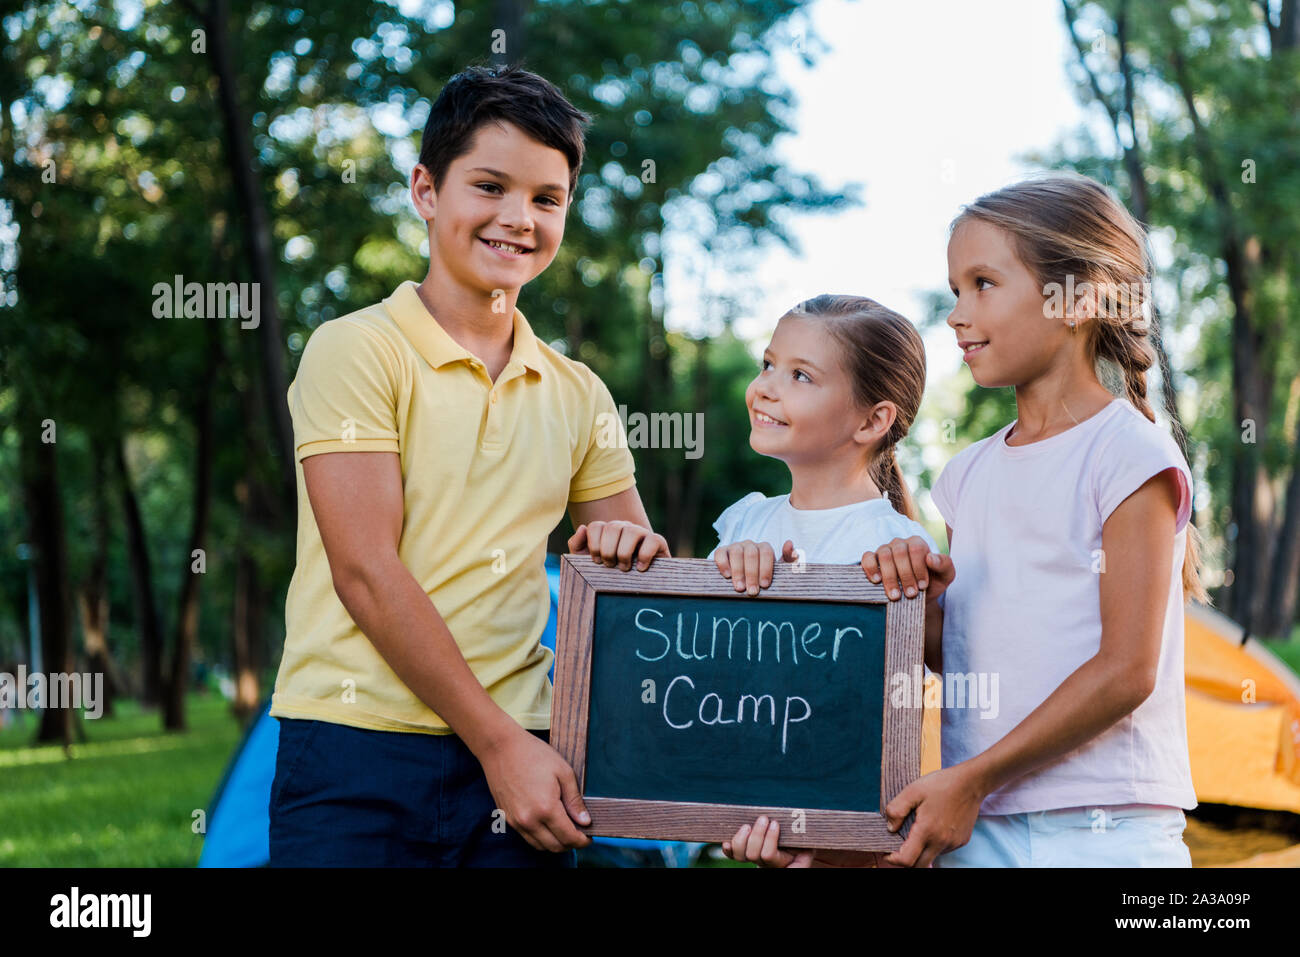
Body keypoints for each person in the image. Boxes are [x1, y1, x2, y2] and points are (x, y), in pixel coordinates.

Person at [268, 64, 668, 867]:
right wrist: (497, 745)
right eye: (490, 186)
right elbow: (367, 571)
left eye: (547, 199)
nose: (518, 219)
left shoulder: (578, 391)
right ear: (425, 190)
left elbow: (634, 577)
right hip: (356, 746)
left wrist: (644, 556)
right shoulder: (356, 349)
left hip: (526, 754)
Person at [866, 172, 1206, 868]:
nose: (958, 314)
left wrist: (977, 776)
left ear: (1078, 298)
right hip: (978, 823)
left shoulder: (1128, 453)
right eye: (955, 289)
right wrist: (916, 602)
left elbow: (1126, 670)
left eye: (984, 284)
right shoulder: (967, 475)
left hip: (1104, 828)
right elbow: (964, 653)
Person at [703, 294, 950, 868]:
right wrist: (723, 585)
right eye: (768, 364)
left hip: (850, 846)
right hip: (757, 808)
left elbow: (900, 718)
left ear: (872, 421)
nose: (765, 386)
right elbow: (705, 676)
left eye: (799, 376)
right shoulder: (744, 522)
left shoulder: (897, 551)